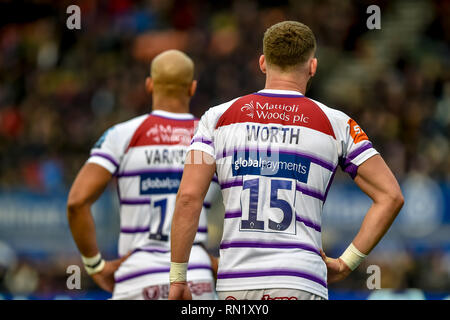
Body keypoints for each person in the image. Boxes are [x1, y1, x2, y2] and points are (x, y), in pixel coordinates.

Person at [168, 21, 404, 300]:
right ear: (313, 67)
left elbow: (188, 198)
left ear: (263, 63)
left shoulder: (216, 118)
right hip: (301, 279)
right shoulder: (337, 124)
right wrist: (345, 263)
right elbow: (391, 196)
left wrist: (178, 277)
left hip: (235, 283)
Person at [67, 49, 219, 300]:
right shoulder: (211, 137)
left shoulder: (122, 135)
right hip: (195, 278)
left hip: (137, 278)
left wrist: (95, 265)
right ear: (192, 88)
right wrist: (216, 261)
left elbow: (77, 202)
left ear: (149, 85)